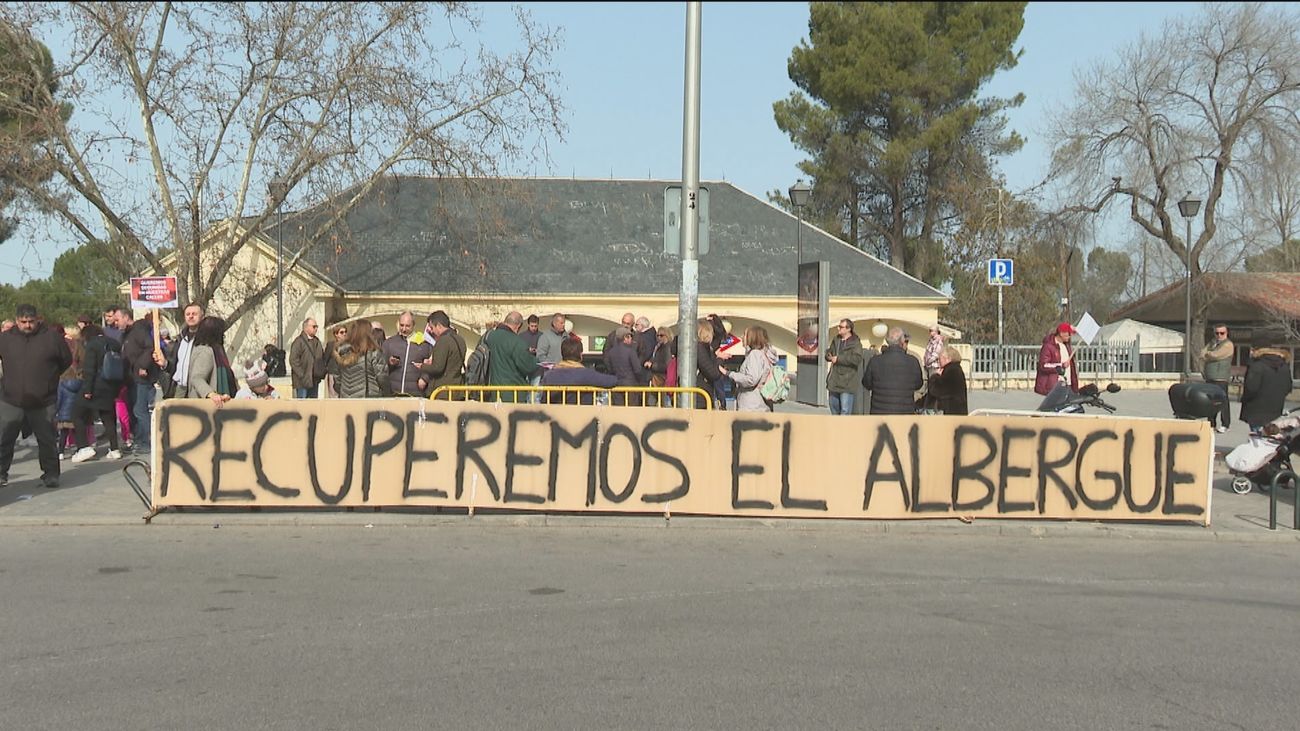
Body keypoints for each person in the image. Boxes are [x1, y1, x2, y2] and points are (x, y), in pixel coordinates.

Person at [0, 304, 73, 488]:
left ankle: (51, 474)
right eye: (23, 322)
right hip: (11, 399)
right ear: (16, 321)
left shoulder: (52, 338)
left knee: (47, 439)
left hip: (43, 400)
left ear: (37, 319)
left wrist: (50, 378)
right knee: (4, 438)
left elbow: (66, 360)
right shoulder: (6, 338)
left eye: (31, 322)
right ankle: (1, 473)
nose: (27, 325)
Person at [69, 323, 126, 462]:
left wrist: (87, 390)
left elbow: (90, 369)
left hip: (95, 386)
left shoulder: (92, 345)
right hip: (111, 385)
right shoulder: (114, 343)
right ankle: (114, 449)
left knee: (77, 414)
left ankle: (83, 447)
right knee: (108, 417)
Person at [119, 308, 158, 454]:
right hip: (131, 377)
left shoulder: (139, 330)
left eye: (117, 319)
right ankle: (138, 439)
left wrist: (143, 365)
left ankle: (146, 442)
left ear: (126, 317)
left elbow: (150, 348)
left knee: (140, 410)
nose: (115, 323)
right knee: (134, 410)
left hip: (142, 377)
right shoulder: (127, 334)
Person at [863, 327, 924, 415]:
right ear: (902, 341)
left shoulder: (875, 361)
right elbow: (918, 384)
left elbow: (866, 383)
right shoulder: (913, 361)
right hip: (904, 412)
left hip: (879, 412)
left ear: (887, 341)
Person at [484, 311, 541, 403]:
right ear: (518, 326)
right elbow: (528, 366)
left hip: (491, 392)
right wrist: (538, 361)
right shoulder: (517, 342)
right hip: (513, 393)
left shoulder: (488, 336)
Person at [540, 338, 617, 405]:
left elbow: (543, 399)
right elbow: (611, 381)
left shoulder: (549, 375)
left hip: (554, 415)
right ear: (580, 355)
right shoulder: (586, 374)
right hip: (582, 415)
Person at [182, 316, 233, 409]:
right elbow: (196, 378)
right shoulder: (205, 351)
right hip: (207, 407)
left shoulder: (218, 351)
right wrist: (211, 394)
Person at [1239, 343, 1291, 432]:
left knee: (1257, 436)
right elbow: (1288, 387)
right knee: (1271, 436)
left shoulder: (1256, 365)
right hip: (1276, 409)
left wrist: (1245, 399)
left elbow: (1251, 388)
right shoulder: (1284, 365)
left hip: (1256, 409)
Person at [727, 326, 779, 412]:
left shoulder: (755, 355)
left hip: (752, 406)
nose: (742, 337)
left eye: (745, 334)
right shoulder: (765, 355)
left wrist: (730, 374)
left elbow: (751, 380)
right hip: (761, 405)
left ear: (752, 337)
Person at [382, 311, 434, 396]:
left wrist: (425, 378)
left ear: (414, 325)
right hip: (393, 392)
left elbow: (433, 365)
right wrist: (390, 363)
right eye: (401, 325)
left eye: (407, 326)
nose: (404, 329)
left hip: (416, 393)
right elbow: (380, 367)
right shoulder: (389, 343)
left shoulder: (424, 344)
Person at [333, 319, 387, 398]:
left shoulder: (341, 352)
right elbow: (382, 377)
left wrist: (344, 391)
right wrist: (386, 393)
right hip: (368, 398)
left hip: (346, 398)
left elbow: (337, 379)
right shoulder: (373, 352)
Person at [417, 310, 467, 395]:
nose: (431, 331)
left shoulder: (443, 341)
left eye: (432, 327)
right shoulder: (460, 340)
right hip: (457, 388)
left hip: (442, 391)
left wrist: (423, 366)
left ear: (439, 326)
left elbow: (437, 368)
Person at [161, 302, 205, 399]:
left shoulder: (205, 339)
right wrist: (165, 364)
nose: (191, 316)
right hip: (180, 388)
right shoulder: (181, 339)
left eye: (194, 314)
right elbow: (176, 366)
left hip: (197, 389)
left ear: (202, 317)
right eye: (188, 314)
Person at [1200, 323, 1234, 433]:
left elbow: (1217, 355)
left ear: (1226, 333)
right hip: (1210, 377)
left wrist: (1208, 354)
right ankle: (1211, 423)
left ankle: (1225, 424)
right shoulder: (1212, 343)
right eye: (1217, 333)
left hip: (1220, 378)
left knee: (1222, 401)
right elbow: (1202, 353)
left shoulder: (1228, 345)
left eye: (1222, 333)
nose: (1219, 335)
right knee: (1210, 401)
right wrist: (1208, 354)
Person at [825, 319, 863, 415]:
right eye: (839, 326)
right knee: (833, 408)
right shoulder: (836, 340)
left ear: (848, 329)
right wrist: (828, 355)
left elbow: (857, 359)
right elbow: (830, 351)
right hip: (834, 380)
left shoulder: (855, 343)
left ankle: (843, 425)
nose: (838, 328)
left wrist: (839, 359)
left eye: (841, 327)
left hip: (847, 382)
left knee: (845, 411)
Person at [607, 325, 650, 405]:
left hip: (616, 384)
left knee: (619, 408)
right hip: (631, 384)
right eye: (630, 337)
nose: (631, 339)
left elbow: (610, 369)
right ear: (625, 338)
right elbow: (637, 369)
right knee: (631, 409)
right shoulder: (630, 351)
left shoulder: (611, 352)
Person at [1034, 323, 1079, 396]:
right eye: (1068, 334)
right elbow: (1043, 365)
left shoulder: (1067, 346)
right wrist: (1060, 366)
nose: (1070, 336)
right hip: (1055, 386)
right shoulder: (1048, 346)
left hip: (1067, 385)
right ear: (1061, 333)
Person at [922, 346, 968, 415]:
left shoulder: (951, 371)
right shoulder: (955, 369)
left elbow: (936, 390)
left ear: (948, 359)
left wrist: (935, 376)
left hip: (951, 413)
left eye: (939, 359)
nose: (938, 361)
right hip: (957, 412)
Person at [694, 319, 728, 409]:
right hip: (700, 396)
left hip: (702, 395)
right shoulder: (700, 348)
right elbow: (713, 373)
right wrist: (719, 359)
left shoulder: (704, 348)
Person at [289, 317, 325, 400]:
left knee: (313, 404)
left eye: (317, 327)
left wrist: (322, 371)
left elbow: (322, 357)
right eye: (314, 326)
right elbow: (293, 360)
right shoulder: (298, 342)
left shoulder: (317, 341)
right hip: (302, 382)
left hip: (314, 380)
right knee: (302, 404)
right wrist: (302, 375)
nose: (316, 329)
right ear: (306, 327)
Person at [323, 323, 348, 397]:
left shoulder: (349, 345)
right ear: (336, 334)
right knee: (333, 396)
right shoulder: (331, 345)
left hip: (345, 374)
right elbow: (325, 359)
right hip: (333, 374)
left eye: (345, 332)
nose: (344, 334)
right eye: (341, 332)